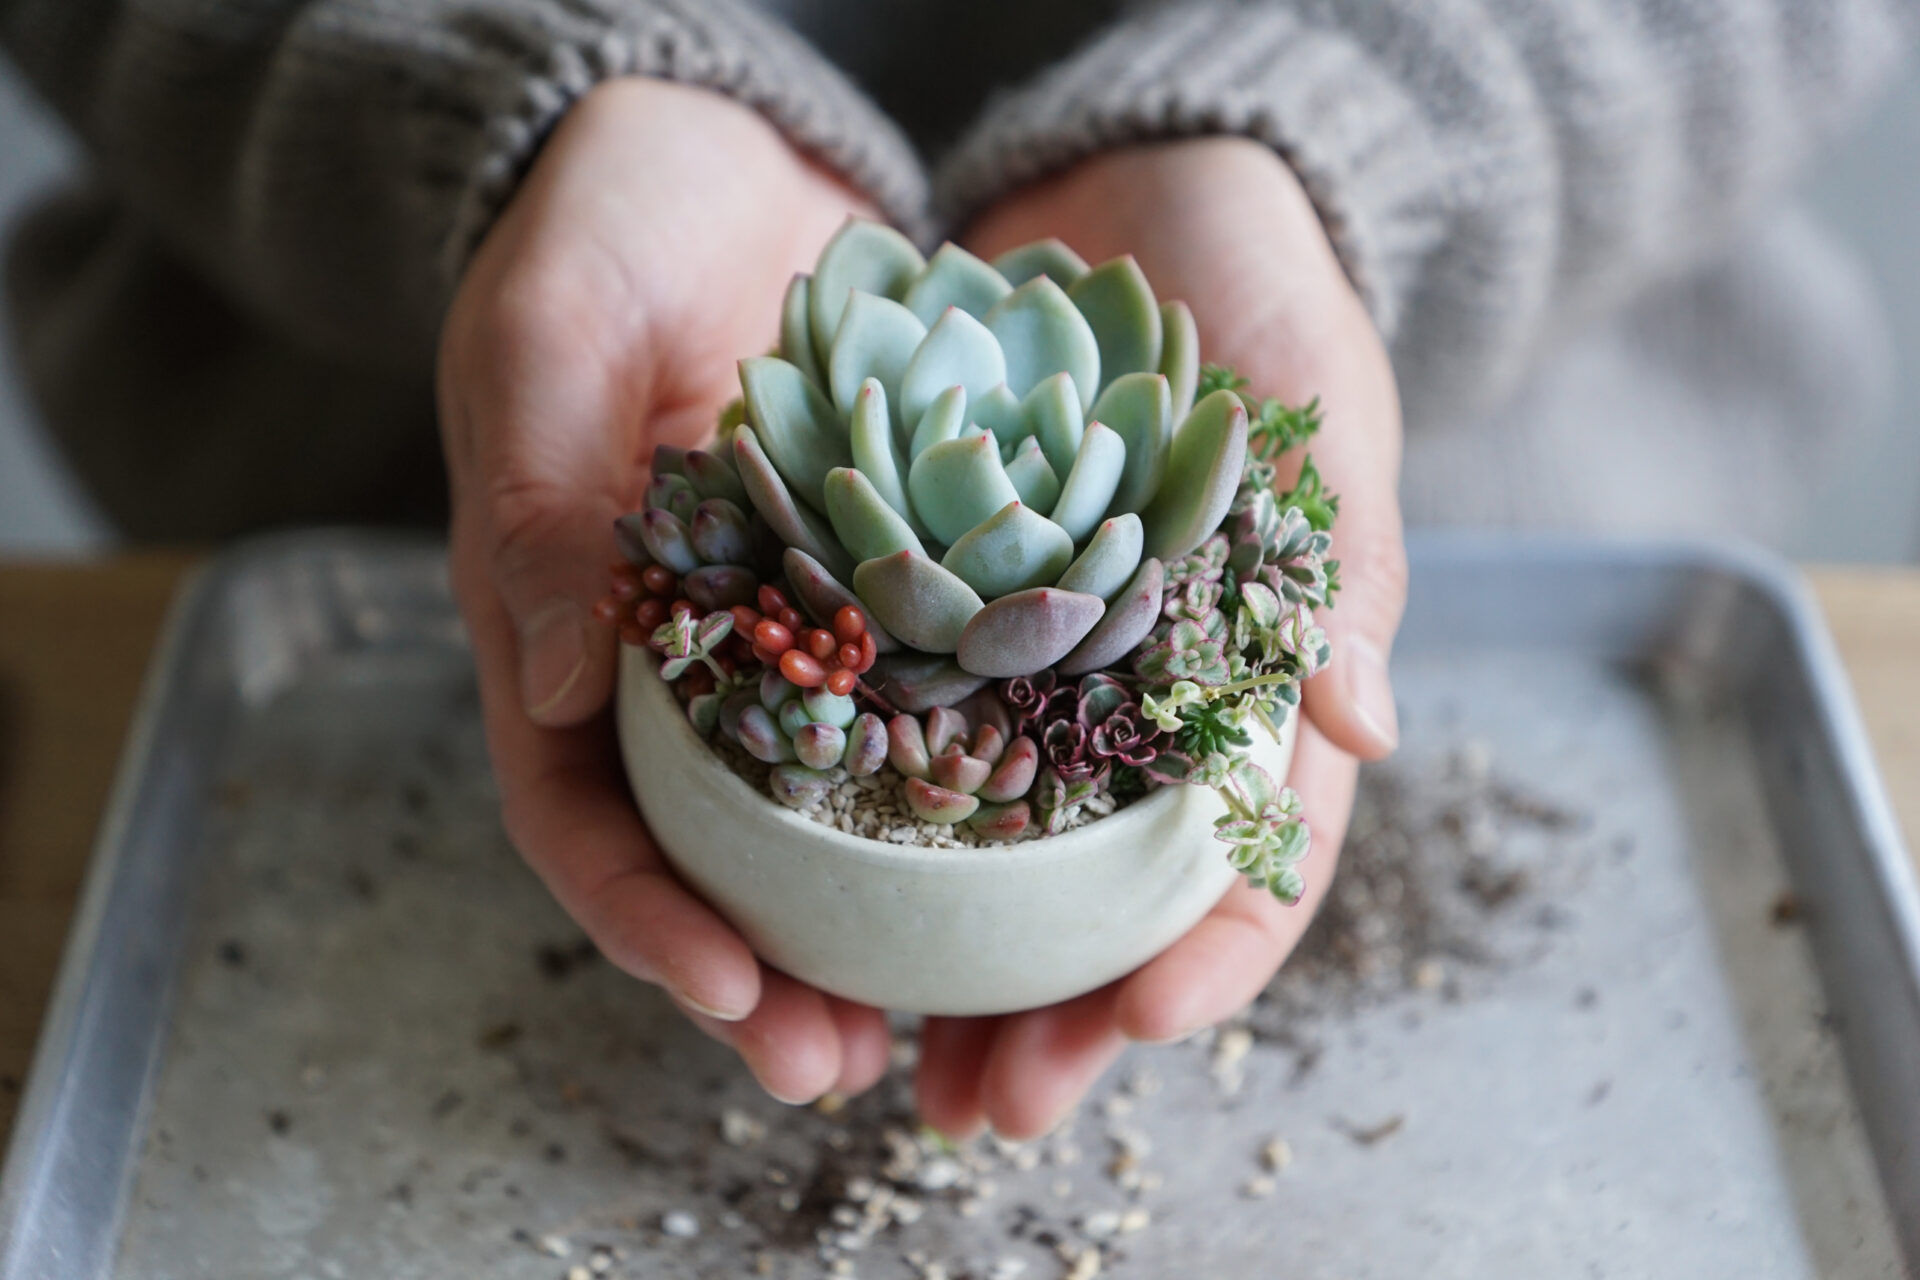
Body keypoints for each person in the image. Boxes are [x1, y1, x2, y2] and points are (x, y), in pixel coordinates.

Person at [2, 0, 1912, 1139]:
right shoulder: (786, 526)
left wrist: (1349, 119)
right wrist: (528, 89)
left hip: (1548, 444)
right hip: (331, 443)